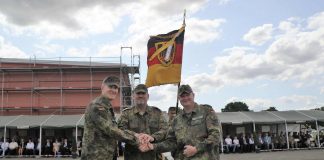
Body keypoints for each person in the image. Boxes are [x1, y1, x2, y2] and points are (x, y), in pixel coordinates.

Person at [139, 84, 221, 160]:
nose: (185, 98)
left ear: (193, 95)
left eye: (187, 95)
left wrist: (196, 149)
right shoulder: (177, 120)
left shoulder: (206, 111)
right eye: (182, 96)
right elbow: (171, 142)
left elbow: (215, 135)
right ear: (179, 98)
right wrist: (153, 146)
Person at [81, 76, 139, 160]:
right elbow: (111, 130)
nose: (113, 90)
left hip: (106, 156)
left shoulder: (107, 107)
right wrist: (135, 138)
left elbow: (115, 128)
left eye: (116, 88)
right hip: (95, 156)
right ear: (102, 87)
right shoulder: (97, 106)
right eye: (110, 86)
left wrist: (135, 134)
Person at [118, 84, 168, 160]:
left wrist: (152, 138)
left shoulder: (157, 113)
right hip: (132, 157)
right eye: (138, 93)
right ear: (133, 96)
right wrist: (135, 136)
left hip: (154, 156)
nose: (140, 96)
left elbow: (165, 130)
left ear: (148, 96)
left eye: (143, 93)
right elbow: (120, 131)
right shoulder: (126, 114)